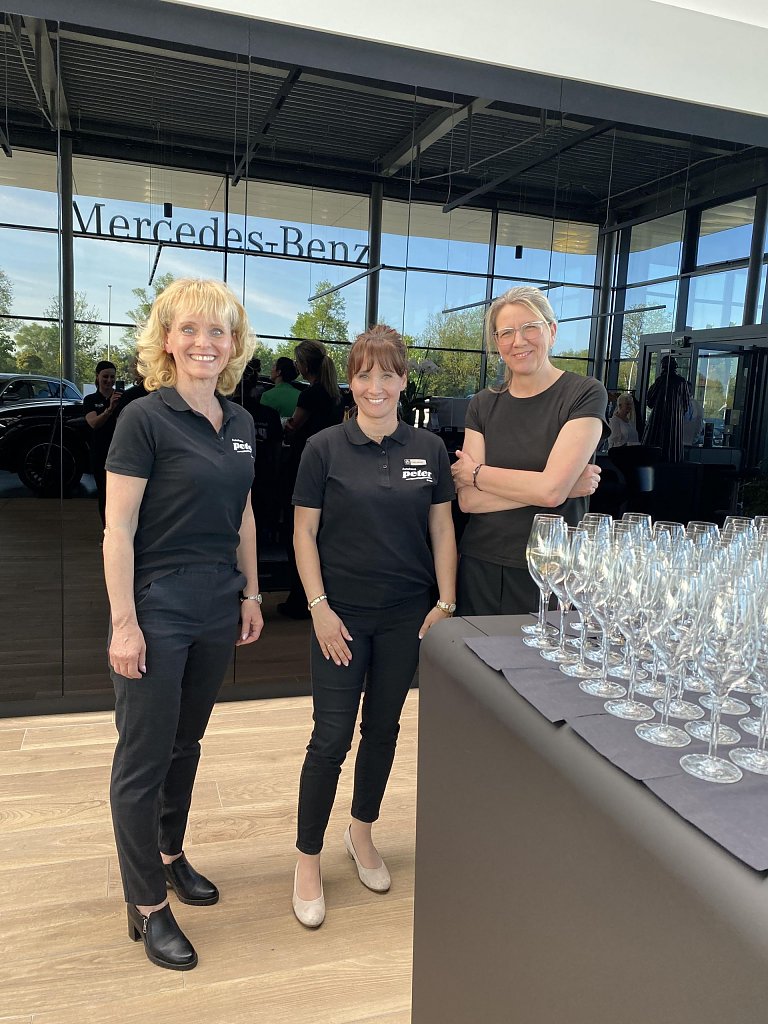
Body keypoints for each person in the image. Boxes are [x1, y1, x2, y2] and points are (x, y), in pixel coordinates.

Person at [104, 278, 263, 971]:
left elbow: (245, 513)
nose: (205, 342)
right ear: (166, 340)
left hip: (217, 603)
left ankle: (169, 855)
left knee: (186, 743)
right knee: (143, 758)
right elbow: (117, 529)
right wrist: (124, 624)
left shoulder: (241, 422)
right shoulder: (143, 418)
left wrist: (251, 592)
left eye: (218, 330)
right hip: (158, 606)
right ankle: (145, 905)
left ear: (234, 343)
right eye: (190, 329)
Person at [290, 325, 457, 928]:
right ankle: (308, 859)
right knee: (330, 738)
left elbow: (442, 528)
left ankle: (361, 832)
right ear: (351, 382)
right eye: (364, 374)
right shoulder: (323, 448)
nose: (376, 386)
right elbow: (304, 533)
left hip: (405, 617)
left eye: (388, 374)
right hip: (341, 617)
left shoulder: (428, 449)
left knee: (382, 730)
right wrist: (318, 608)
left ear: (404, 380)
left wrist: (446, 602)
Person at [452, 285, 606, 616]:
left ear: (552, 331)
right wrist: (558, 487)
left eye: (529, 328)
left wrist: (478, 473)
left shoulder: (583, 394)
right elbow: (469, 500)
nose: (518, 341)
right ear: (497, 343)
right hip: (482, 566)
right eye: (506, 332)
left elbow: (550, 491)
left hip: (552, 570)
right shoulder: (483, 404)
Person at [278, 340, 344, 619]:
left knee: (298, 530)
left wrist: (285, 426)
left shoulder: (309, 395)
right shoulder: (336, 395)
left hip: (303, 465)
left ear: (304, 365)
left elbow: (294, 426)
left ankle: (300, 597)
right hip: (332, 467)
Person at [83, 360, 122, 524]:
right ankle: (107, 529)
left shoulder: (122, 398)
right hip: (100, 453)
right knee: (105, 493)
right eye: (105, 376)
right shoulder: (90, 399)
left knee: (121, 494)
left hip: (121, 452)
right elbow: (93, 423)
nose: (109, 380)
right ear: (97, 377)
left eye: (112, 377)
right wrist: (110, 409)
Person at [642, 355, 691, 462]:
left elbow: (650, 402)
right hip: (675, 425)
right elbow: (686, 405)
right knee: (673, 452)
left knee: (654, 450)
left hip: (658, 423)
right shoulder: (682, 382)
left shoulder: (660, 381)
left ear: (663, 367)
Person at [260, 356, 301, 420]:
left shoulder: (267, 396)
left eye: (273, 366)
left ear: (278, 372)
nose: (271, 369)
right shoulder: (301, 395)